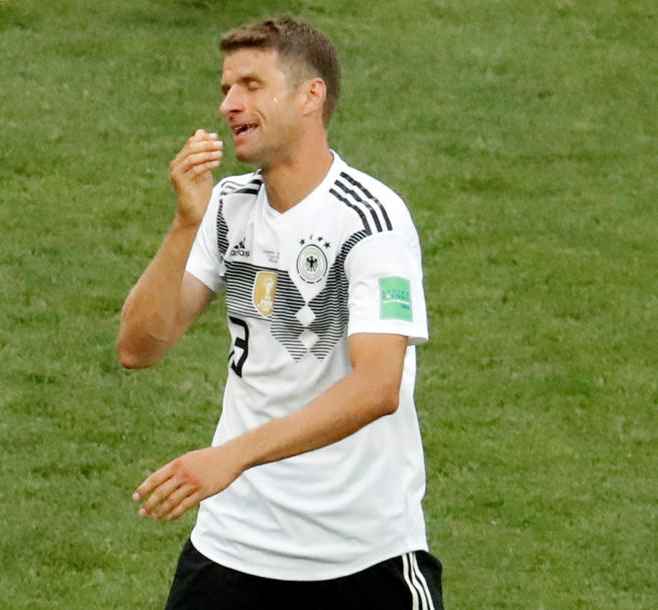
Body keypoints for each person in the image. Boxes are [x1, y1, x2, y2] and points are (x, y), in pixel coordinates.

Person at [117, 16, 444, 610]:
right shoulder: (227, 208)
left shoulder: (371, 221)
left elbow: (377, 387)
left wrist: (230, 457)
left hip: (359, 557)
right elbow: (138, 348)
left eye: (250, 85)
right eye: (225, 90)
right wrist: (186, 223)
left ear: (309, 96)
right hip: (233, 548)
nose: (230, 105)